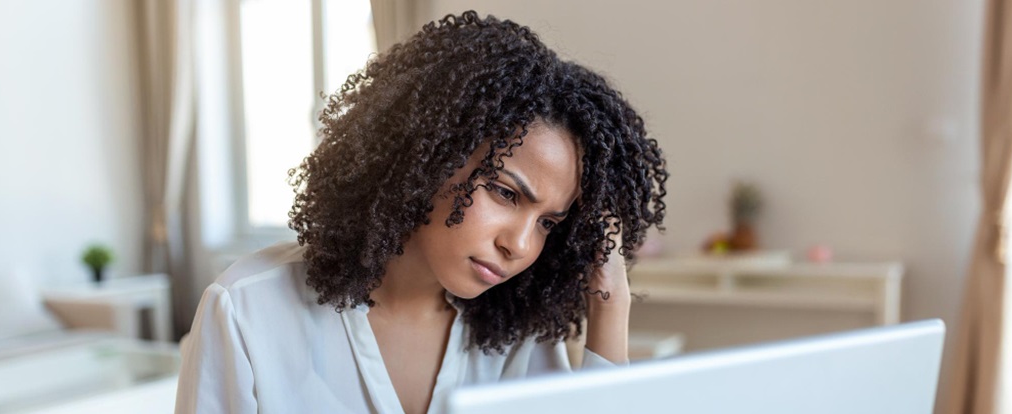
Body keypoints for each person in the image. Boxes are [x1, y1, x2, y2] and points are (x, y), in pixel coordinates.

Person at [174, 10, 667, 414]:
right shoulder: (247, 310)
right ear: (427, 157)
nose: (518, 245)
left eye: (548, 223)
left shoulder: (515, 334)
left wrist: (610, 304)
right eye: (505, 193)